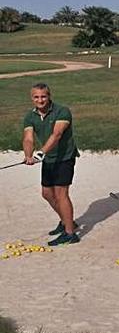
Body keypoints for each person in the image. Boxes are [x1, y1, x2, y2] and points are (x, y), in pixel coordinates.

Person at [22, 83, 81, 246]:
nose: (40, 100)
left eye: (43, 96)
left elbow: (57, 134)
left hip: (64, 157)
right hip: (48, 159)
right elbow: (28, 138)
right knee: (47, 193)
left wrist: (41, 153)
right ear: (32, 98)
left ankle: (70, 234)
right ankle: (66, 221)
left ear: (49, 96)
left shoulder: (62, 111)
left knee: (61, 194)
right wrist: (28, 155)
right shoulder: (30, 116)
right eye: (36, 97)